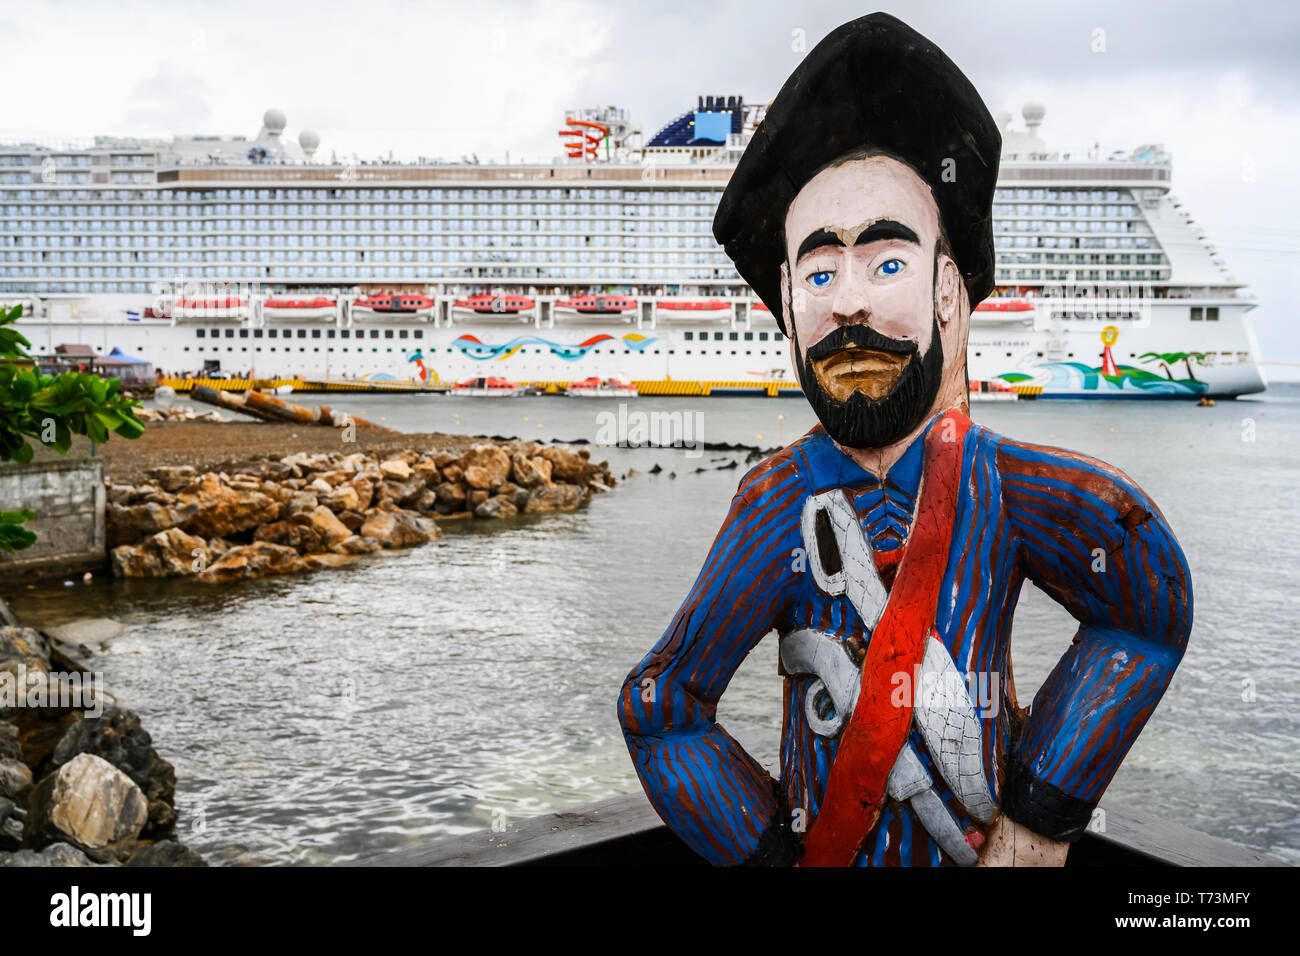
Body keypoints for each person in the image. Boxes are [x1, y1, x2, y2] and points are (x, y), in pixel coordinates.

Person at [617, 13, 1191, 867]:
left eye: (886, 264)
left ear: (948, 290)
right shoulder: (773, 503)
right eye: (818, 273)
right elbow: (663, 702)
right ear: (786, 299)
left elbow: (1145, 606)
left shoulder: (1008, 487)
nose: (847, 302)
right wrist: (771, 855)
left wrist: (1038, 819)